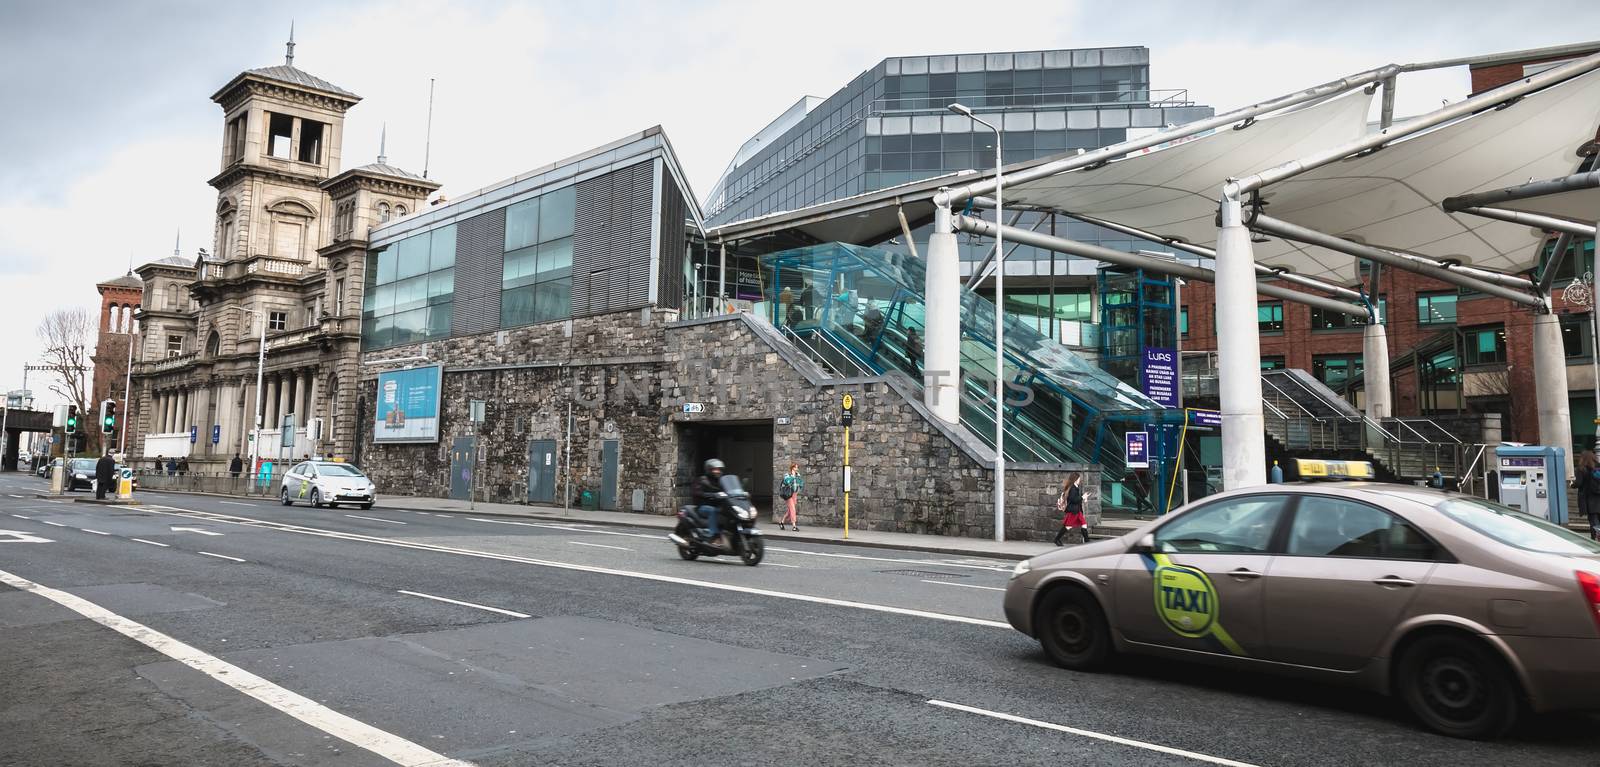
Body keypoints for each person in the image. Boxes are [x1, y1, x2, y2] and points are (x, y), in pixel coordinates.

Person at [693, 458, 727, 543]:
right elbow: (697, 492)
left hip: (718, 505)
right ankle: (714, 535)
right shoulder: (702, 480)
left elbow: (729, 489)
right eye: (715, 469)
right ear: (709, 469)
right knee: (713, 511)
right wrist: (712, 495)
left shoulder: (722, 481)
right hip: (703, 506)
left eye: (719, 469)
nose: (717, 471)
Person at [1053, 472, 1088, 546]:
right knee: (1068, 526)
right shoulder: (1073, 488)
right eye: (1079, 479)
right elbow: (1073, 500)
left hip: (1077, 510)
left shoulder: (1075, 487)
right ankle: (1056, 539)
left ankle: (1087, 542)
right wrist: (1082, 497)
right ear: (1075, 479)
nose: (1079, 480)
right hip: (1073, 511)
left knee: (1084, 524)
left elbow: (1076, 499)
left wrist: (1083, 498)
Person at [1580, 450, 1600, 542]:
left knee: (1593, 521)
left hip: (1591, 500)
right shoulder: (1598, 467)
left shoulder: (1583, 469)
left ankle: (1594, 539)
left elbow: (1579, 483)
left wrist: (1572, 484)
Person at [779, 462, 804, 531]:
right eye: (796, 467)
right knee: (793, 509)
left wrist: (799, 486)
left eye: (797, 467)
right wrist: (793, 477)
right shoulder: (787, 475)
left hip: (794, 494)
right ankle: (794, 526)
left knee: (790, 510)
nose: (797, 468)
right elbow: (788, 482)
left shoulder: (798, 475)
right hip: (788, 494)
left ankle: (782, 522)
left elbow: (801, 482)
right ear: (792, 468)